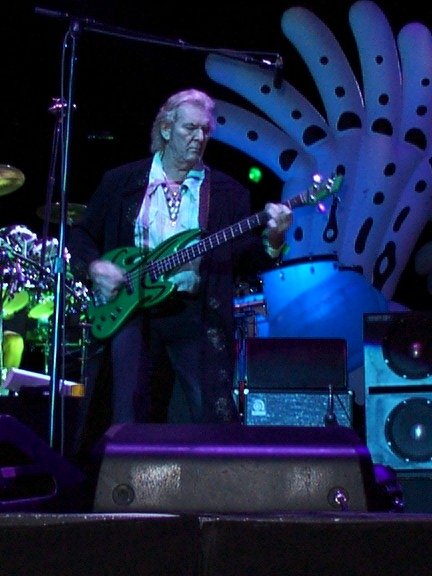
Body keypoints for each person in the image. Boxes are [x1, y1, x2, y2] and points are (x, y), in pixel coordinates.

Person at [67, 88, 292, 458]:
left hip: (194, 312)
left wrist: (275, 237)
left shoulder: (228, 192)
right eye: (190, 128)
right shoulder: (122, 182)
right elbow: (80, 234)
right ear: (167, 128)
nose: (199, 138)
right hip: (132, 312)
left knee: (207, 415)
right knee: (127, 413)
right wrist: (95, 267)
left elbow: (246, 260)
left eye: (205, 130)